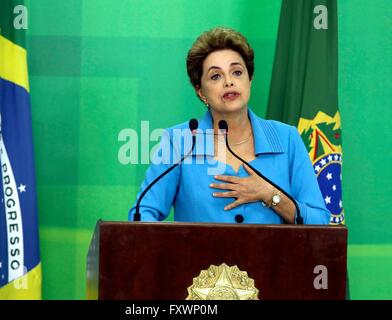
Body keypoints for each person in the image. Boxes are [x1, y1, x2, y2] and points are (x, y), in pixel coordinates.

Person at [128, 27, 330, 225]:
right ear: (200, 91)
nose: (229, 82)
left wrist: (270, 194)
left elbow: (319, 222)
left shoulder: (286, 138)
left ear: (249, 79)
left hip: (271, 259)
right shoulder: (180, 141)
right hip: (197, 259)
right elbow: (142, 214)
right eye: (216, 76)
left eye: (237, 72)